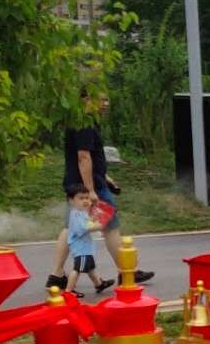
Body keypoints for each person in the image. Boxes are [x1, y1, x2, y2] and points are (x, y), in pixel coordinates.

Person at [46, 90, 152, 291]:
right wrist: (91, 190)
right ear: (86, 99)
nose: (106, 103)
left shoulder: (78, 121)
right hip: (90, 189)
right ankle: (128, 272)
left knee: (70, 228)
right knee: (111, 226)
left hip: (79, 185)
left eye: (107, 99)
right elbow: (83, 157)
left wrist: (105, 176)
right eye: (101, 99)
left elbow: (90, 158)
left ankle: (56, 275)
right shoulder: (85, 124)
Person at [64, 189, 114, 296]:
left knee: (90, 268)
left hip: (85, 248)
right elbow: (81, 229)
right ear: (71, 201)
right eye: (81, 198)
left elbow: (86, 222)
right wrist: (98, 226)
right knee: (77, 269)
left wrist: (93, 218)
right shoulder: (76, 214)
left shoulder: (81, 213)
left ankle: (99, 284)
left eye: (87, 198)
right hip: (81, 249)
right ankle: (69, 291)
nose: (85, 200)